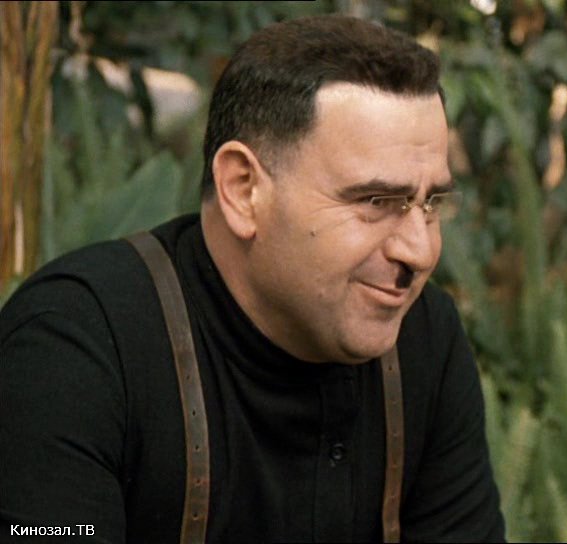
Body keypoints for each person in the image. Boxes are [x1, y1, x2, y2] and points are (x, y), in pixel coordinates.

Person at [0, 14, 505, 543]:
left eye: (432, 203)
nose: (420, 251)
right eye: (377, 201)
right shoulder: (76, 345)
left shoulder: (423, 338)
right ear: (243, 190)